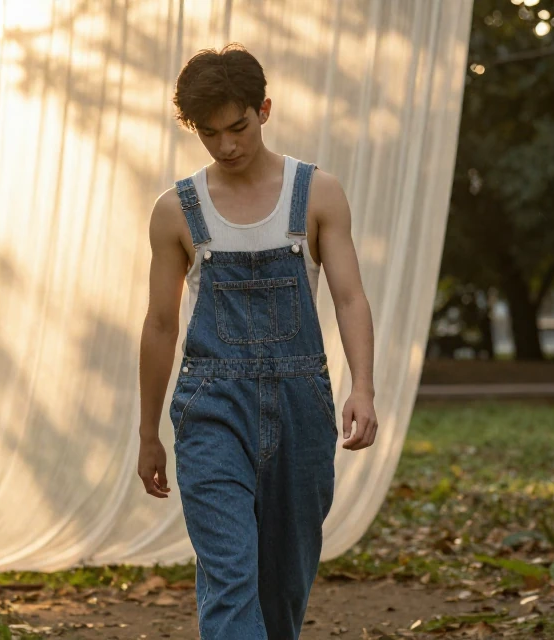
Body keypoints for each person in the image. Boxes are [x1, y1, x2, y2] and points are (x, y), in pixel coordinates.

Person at [135, 43, 379, 639]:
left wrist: (363, 389)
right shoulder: (175, 211)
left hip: (302, 409)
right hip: (211, 410)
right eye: (209, 133)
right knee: (229, 578)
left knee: (283, 587)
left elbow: (349, 298)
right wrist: (147, 432)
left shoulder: (317, 193)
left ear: (264, 110)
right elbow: (160, 325)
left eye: (238, 127)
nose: (226, 146)